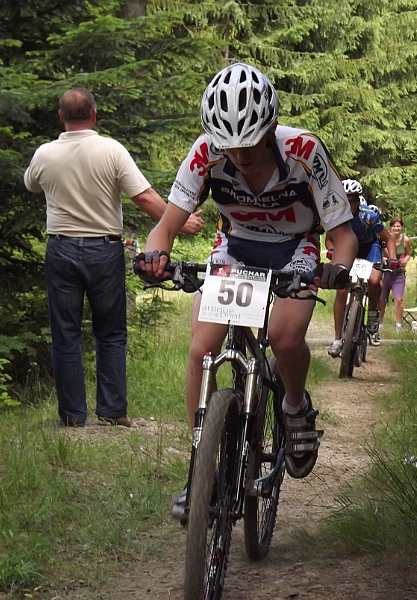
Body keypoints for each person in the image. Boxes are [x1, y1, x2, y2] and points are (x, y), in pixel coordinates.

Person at [137, 62, 358, 512]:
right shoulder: (205, 152)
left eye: (250, 144)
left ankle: (294, 408)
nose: (238, 156)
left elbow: (344, 234)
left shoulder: (304, 149)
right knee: (202, 349)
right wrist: (154, 256)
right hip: (235, 247)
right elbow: (166, 227)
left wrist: (338, 267)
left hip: (295, 248)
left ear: (271, 128)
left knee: (285, 337)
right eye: (228, 146)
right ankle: (202, 472)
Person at [24, 87, 204, 428]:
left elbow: (31, 184)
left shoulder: (44, 154)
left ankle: (72, 416)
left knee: (65, 334)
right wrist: (181, 223)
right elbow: (144, 197)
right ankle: (111, 409)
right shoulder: (111, 150)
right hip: (103, 250)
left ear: (60, 117)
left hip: (60, 249)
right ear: (94, 114)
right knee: (110, 332)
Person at [326, 180, 396, 354]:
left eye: (353, 200)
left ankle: (372, 315)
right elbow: (329, 239)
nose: (349, 204)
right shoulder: (336, 214)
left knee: (374, 280)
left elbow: (388, 238)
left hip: (370, 247)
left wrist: (393, 258)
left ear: (358, 200)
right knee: (341, 289)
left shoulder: (369, 216)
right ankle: (337, 339)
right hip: (347, 247)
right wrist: (332, 250)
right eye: (346, 200)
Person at [378, 216, 411, 332]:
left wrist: (406, 259)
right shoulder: (385, 238)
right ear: (390, 227)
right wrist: (382, 258)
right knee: (382, 300)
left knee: (398, 299)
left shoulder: (405, 240)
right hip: (385, 273)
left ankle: (398, 326)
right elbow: (378, 252)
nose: (396, 228)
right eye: (394, 226)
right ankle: (379, 324)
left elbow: (408, 254)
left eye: (398, 226)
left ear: (402, 227)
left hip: (399, 273)